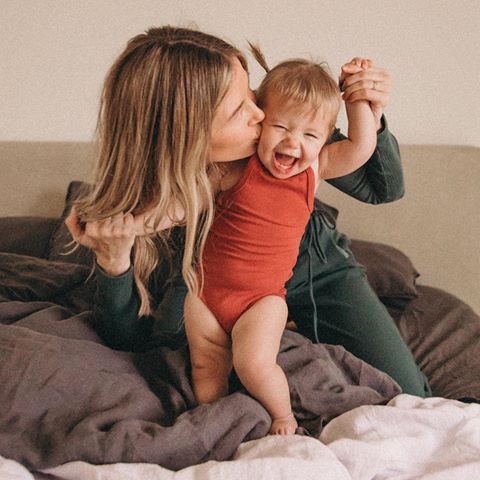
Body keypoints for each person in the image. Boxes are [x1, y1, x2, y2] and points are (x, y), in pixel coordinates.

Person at [65, 26, 431, 409]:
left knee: (409, 398)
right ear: (187, 135)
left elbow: (381, 188)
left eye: (251, 93)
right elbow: (129, 340)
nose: (260, 112)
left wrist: (368, 107)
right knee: (180, 353)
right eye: (241, 109)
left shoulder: (281, 130)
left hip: (311, 258)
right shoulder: (160, 205)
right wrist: (114, 263)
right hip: (215, 275)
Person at [184, 50, 378, 435]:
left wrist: (357, 101)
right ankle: (217, 418)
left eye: (310, 135)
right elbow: (185, 195)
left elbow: (361, 147)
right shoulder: (235, 165)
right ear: (259, 121)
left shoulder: (314, 170)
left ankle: (282, 415)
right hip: (205, 293)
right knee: (206, 366)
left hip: (262, 300)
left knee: (254, 364)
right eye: (281, 127)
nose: (293, 143)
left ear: (323, 139)